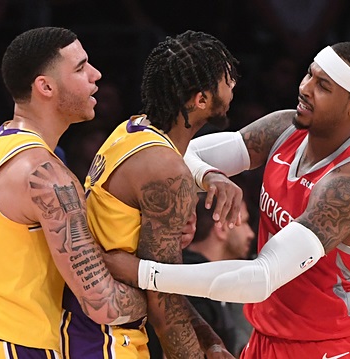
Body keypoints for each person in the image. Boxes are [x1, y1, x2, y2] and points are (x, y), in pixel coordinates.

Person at [104, 41, 350, 358]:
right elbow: (176, 152)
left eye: (323, 86)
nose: (305, 88)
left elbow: (262, 277)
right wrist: (208, 176)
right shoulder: (286, 127)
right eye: (309, 75)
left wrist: (143, 272)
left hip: (335, 347)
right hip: (267, 337)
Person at [0, 27, 147, 358]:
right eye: (80, 68)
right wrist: (161, 292)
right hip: (12, 348)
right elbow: (104, 305)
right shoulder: (47, 178)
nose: (95, 75)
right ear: (46, 86)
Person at [61, 30, 237, 358]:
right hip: (107, 338)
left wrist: (210, 340)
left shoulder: (131, 129)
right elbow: (163, 303)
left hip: (85, 324)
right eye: (227, 78)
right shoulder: (166, 170)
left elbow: (162, 283)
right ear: (200, 100)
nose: (235, 83)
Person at [184, 193, 255, 356]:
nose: (250, 233)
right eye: (243, 222)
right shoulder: (192, 285)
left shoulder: (219, 281)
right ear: (221, 227)